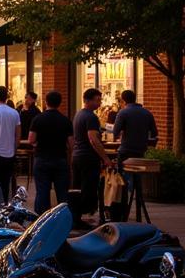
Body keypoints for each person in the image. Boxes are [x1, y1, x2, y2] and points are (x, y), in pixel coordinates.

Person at [72, 87, 115, 223]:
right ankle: (81, 215)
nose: (99, 103)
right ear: (87, 100)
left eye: (100, 100)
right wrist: (106, 158)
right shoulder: (91, 117)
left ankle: (76, 216)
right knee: (88, 188)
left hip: (78, 156)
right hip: (88, 158)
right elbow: (93, 139)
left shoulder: (79, 114)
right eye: (97, 100)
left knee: (78, 187)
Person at [28, 90, 74, 215]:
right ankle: (62, 217)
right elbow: (71, 144)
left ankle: (42, 217)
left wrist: (38, 144)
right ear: (60, 103)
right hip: (60, 159)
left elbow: (31, 139)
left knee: (42, 191)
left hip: (42, 158)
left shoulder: (38, 119)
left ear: (45, 102)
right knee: (62, 193)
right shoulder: (65, 120)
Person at [112, 89, 157, 167]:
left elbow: (115, 132)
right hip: (142, 151)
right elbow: (154, 133)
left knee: (122, 175)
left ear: (123, 101)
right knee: (139, 175)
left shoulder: (123, 113)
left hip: (126, 150)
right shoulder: (147, 113)